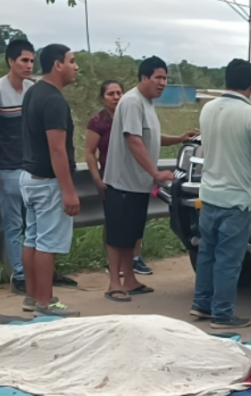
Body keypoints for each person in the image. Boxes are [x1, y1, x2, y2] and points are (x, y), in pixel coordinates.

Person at [191, 59, 251, 329]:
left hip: (209, 196)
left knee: (207, 254)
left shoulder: (208, 109)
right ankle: (222, 314)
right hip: (236, 202)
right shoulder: (250, 115)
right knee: (228, 260)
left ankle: (201, 304)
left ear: (226, 81)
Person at [101, 56, 197, 303]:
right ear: (144, 78)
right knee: (117, 235)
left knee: (131, 234)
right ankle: (114, 283)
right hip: (123, 182)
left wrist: (178, 138)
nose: (163, 83)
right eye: (158, 77)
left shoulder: (147, 103)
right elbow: (133, 140)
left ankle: (130, 280)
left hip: (137, 184)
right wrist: (155, 173)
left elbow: (150, 137)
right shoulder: (132, 101)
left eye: (165, 78)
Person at [20, 44, 81, 317]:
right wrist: (68, 191)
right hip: (48, 182)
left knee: (32, 239)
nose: (75, 66)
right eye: (72, 61)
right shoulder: (54, 100)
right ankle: (46, 304)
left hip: (29, 177)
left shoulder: (33, 91)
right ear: (58, 65)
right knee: (46, 243)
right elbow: (57, 149)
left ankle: (33, 297)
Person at [0, 40, 33, 298]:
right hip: (7, 168)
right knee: (14, 224)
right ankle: (20, 275)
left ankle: (38, 270)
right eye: (24, 60)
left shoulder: (32, 89)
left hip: (32, 168)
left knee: (34, 223)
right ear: (11, 61)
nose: (29, 66)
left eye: (32, 61)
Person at [85, 80, 147, 277]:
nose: (116, 97)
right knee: (113, 222)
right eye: (110, 94)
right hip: (110, 177)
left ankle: (134, 259)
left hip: (130, 176)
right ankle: (113, 263)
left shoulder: (130, 114)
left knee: (134, 221)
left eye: (119, 92)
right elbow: (89, 152)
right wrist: (97, 178)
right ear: (102, 98)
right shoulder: (98, 121)